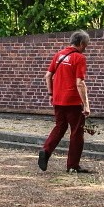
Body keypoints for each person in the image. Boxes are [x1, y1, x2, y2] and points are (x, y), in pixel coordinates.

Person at [39, 30, 93, 174]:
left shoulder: (58, 55)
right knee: (76, 132)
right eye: (86, 45)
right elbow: (80, 83)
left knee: (59, 127)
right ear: (81, 43)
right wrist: (86, 105)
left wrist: (51, 93)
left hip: (58, 99)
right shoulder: (79, 58)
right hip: (73, 101)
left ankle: (46, 150)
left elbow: (48, 75)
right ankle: (73, 165)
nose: (86, 48)